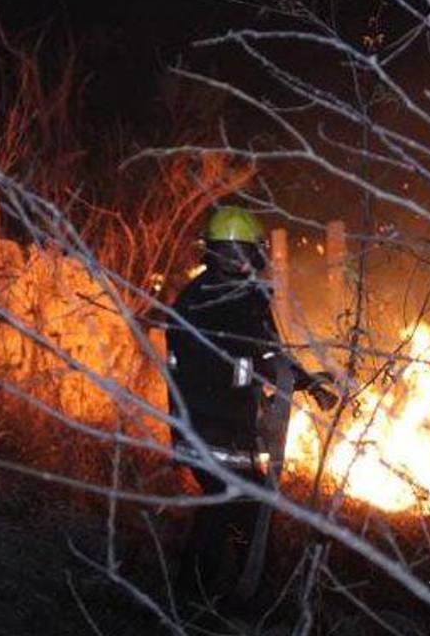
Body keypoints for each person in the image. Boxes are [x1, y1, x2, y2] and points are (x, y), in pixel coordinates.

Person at [167, 204, 337, 610]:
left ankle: (209, 595)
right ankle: (214, 600)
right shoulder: (232, 304)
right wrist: (306, 385)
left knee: (228, 506)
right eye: (253, 250)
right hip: (221, 433)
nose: (259, 258)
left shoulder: (200, 297)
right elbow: (264, 354)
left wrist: (309, 382)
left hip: (197, 430)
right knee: (237, 507)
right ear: (239, 253)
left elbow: (267, 354)